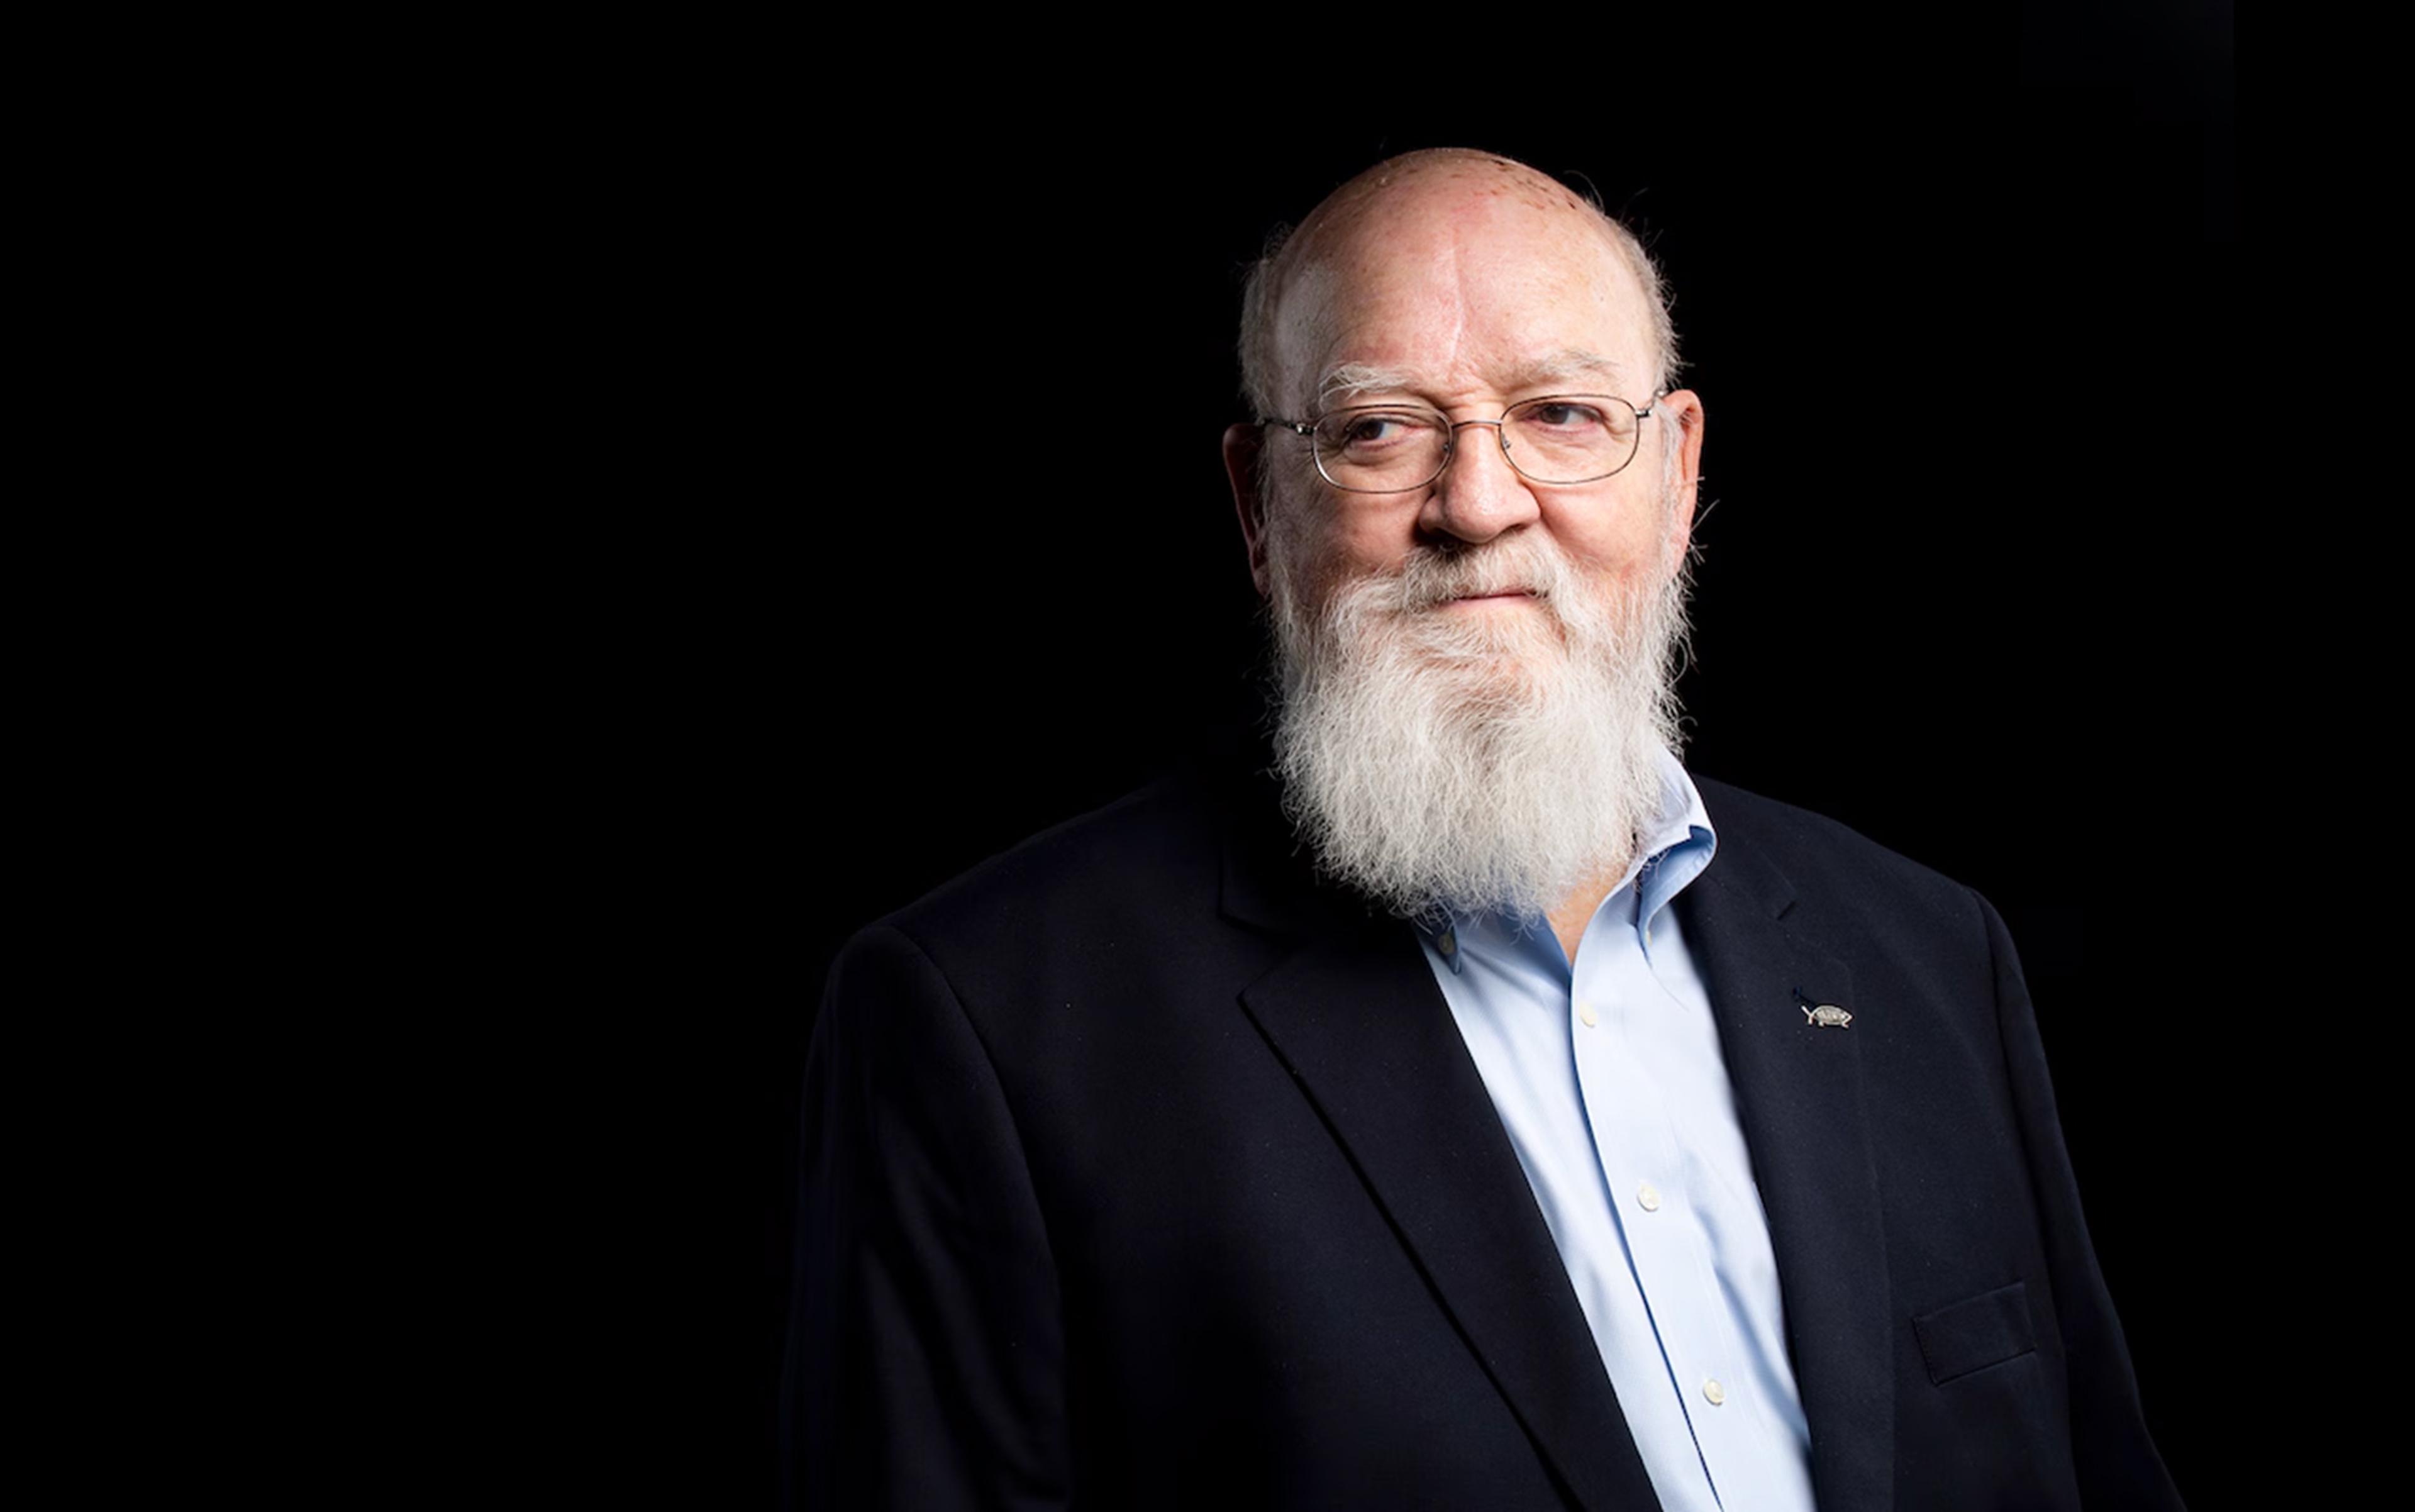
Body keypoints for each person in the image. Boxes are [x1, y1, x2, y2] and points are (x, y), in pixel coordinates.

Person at [787, 149, 2180, 1511]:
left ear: (1680, 472)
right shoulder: (987, 1020)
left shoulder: (1931, 951)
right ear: (1258, 506)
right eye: (1380, 426)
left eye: (1564, 415)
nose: (1477, 501)